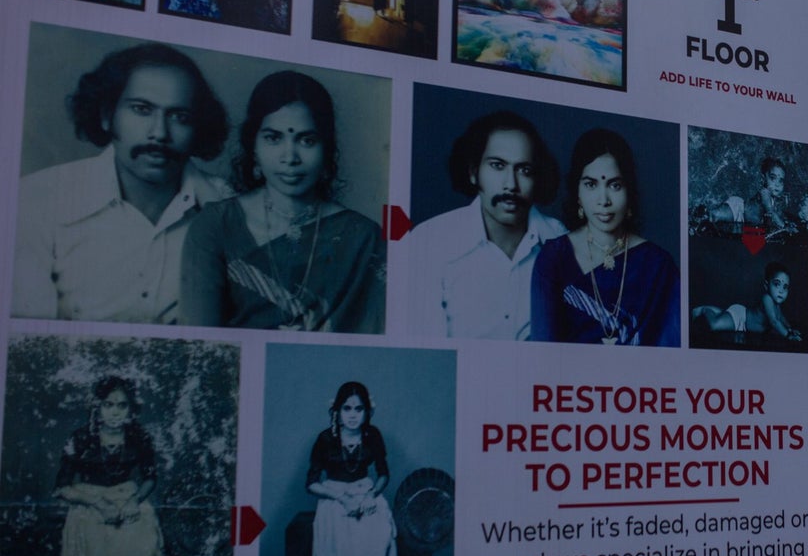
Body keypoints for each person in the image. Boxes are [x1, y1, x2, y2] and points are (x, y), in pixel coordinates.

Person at [13, 43, 231, 324]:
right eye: (141, 110)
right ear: (106, 116)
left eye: (180, 117)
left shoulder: (229, 208)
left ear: (197, 127)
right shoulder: (36, 200)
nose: (159, 133)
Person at [180, 71, 385, 332]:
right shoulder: (214, 227)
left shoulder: (362, 238)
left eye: (307, 140)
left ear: (326, 149)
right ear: (253, 146)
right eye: (273, 138)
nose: (290, 157)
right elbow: (199, 343)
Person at [31, 376, 164, 556]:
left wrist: (132, 502)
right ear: (97, 407)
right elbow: (62, 487)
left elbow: (150, 478)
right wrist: (98, 503)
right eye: (108, 405)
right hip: (89, 502)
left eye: (121, 405)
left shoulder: (139, 436)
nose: (115, 412)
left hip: (126, 497)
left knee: (143, 531)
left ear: (130, 409)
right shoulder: (80, 438)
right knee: (91, 539)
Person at [405, 111, 566, 339]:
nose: (511, 184)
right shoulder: (429, 241)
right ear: (473, 173)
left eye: (524, 170)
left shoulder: (560, 240)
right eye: (497, 166)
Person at [529, 128, 680, 346]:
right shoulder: (554, 260)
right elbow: (544, 354)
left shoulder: (658, 267)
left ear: (629, 192)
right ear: (577, 193)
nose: (603, 200)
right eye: (591, 185)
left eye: (615, 185)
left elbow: (671, 357)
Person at [295, 381, 399, 556]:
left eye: (359, 409)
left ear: (367, 412)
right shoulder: (325, 439)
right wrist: (342, 499)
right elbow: (311, 483)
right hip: (334, 499)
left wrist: (369, 497)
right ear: (337, 411)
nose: (353, 414)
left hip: (366, 495)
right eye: (347, 408)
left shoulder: (373, 436)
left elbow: (384, 474)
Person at [690, 261, 803, 344]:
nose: (781, 290)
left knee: (723, 317)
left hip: (744, 327)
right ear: (766, 285)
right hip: (740, 317)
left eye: (785, 286)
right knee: (714, 325)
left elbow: (781, 318)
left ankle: (720, 311)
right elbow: (774, 321)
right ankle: (705, 309)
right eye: (777, 284)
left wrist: (790, 328)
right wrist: (788, 335)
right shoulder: (767, 299)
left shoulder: (776, 305)